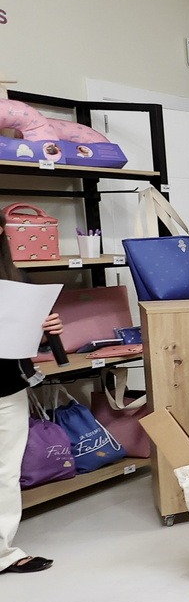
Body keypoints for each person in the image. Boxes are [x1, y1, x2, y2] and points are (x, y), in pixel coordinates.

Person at [0, 224, 61, 575]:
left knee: (6, 473)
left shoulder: (15, 279)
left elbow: (21, 341)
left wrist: (45, 331)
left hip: (7, 388)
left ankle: (3, 553)